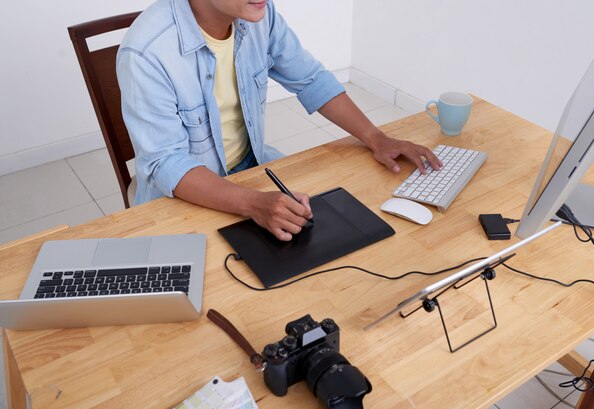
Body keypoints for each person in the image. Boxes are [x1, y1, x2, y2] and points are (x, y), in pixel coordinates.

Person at [117, 0, 442, 241]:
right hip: (183, 196)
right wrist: (253, 203)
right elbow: (167, 163)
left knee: (346, 230)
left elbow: (310, 78)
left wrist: (376, 138)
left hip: (253, 169)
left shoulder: (259, 14)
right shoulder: (146, 52)